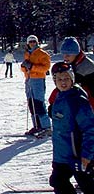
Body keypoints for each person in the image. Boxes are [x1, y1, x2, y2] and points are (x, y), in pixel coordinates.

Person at [49, 62, 94, 194]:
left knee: (87, 185)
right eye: (59, 79)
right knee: (58, 181)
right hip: (61, 155)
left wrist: (87, 155)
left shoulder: (78, 100)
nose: (63, 82)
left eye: (66, 78)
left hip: (78, 155)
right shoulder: (59, 96)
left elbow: (90, 129)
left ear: (72, 79)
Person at [48, 37, 94, 112]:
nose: (65, 57)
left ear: (76, 53)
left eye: (68, 55)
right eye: (63, 54)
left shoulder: (87, 67)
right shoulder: (71, 64)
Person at [20, 35, 51, 135]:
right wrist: (24, 67)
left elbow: (45, 68)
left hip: (38, 79)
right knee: (31, 102)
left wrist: (32, 67)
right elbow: (24, 68)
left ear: (37, 42)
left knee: (38, 102)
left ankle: (46, 126)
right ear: (28, 43)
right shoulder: (27, 54)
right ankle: (36, 125)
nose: (32, 43)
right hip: (28, 79)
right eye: (30, 42)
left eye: (34, 41)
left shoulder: (42, 54)